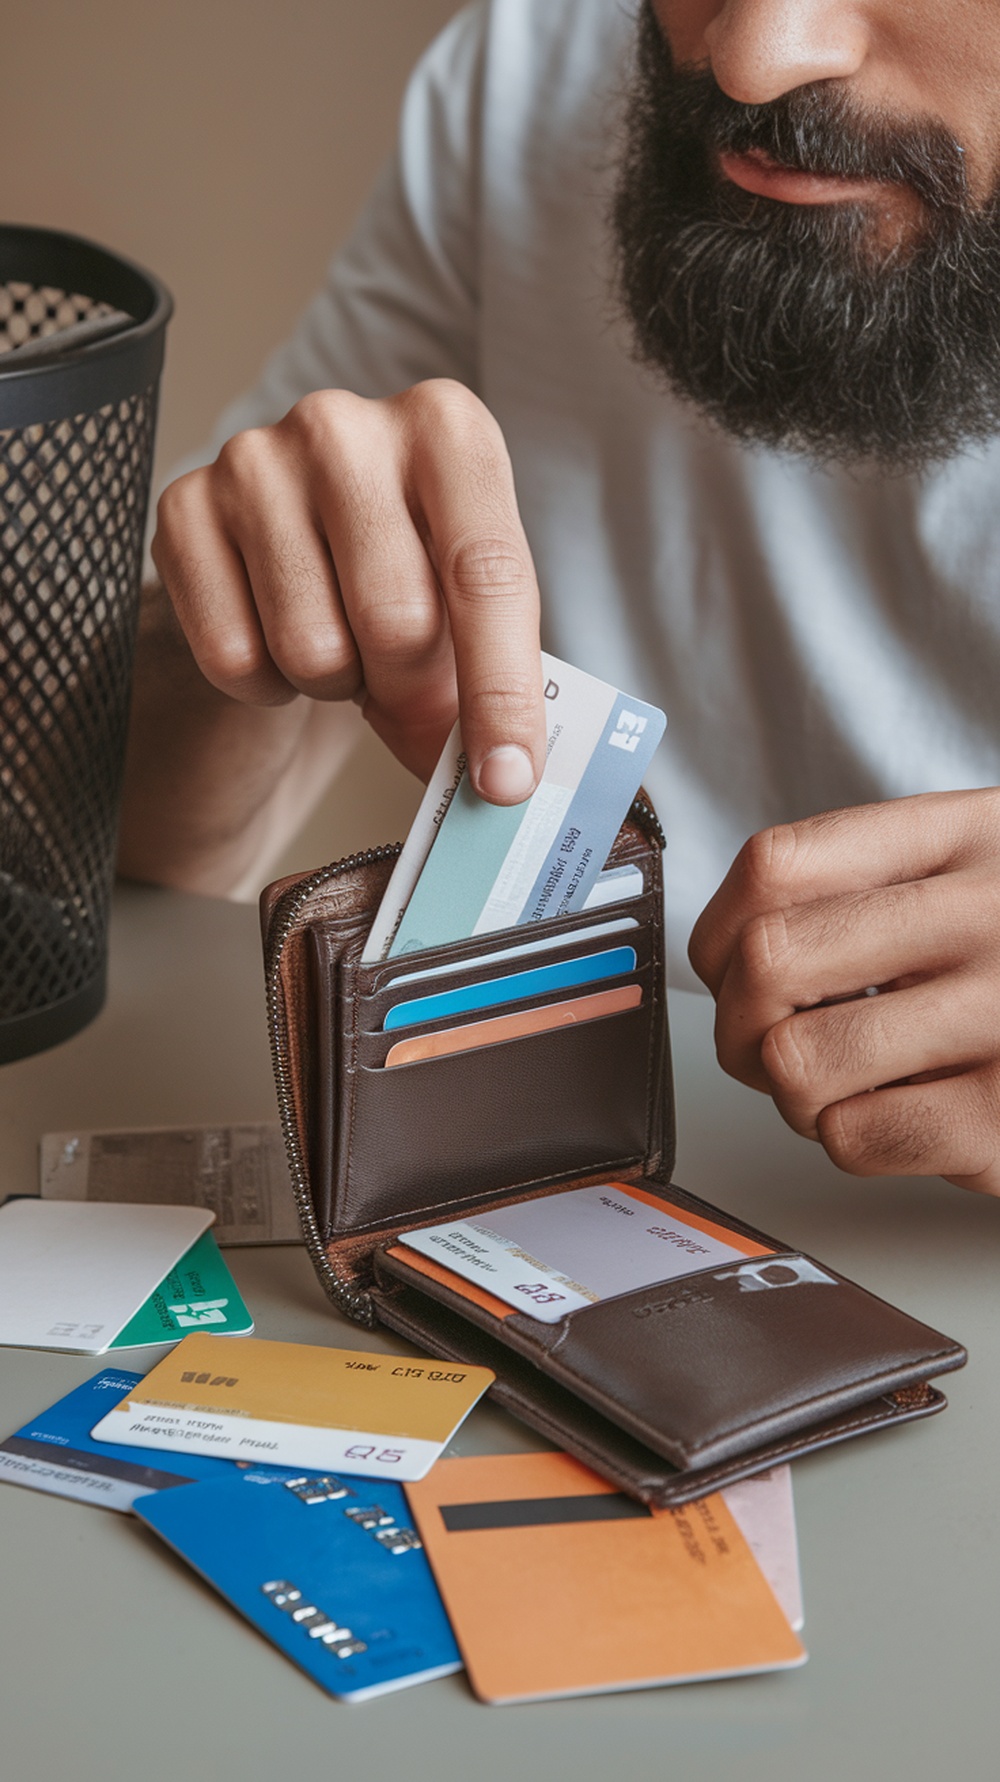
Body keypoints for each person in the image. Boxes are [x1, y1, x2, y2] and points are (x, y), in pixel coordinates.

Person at [119, 0, 1000, 1196]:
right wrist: (229, 625)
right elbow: (124, 876)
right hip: (564, 1196)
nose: (750, 56)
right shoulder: (531, 64)